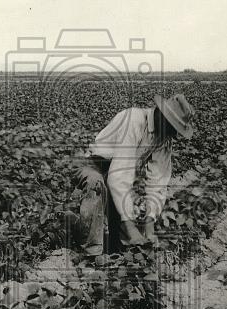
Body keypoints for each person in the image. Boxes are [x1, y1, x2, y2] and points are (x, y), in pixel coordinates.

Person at [71, 93, 194, 254]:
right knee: (97, 185)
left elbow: (158, 181)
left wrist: (150, 225)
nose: (171, 134)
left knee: (126, 225)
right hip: (94, 164)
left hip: (118, 170)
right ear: (160, 115)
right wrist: (131, 228)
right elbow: (119, 175)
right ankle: (90, 254)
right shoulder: (134, 120)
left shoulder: (164, 137)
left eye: (174, 130)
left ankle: (117, 252)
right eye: (171, 127)